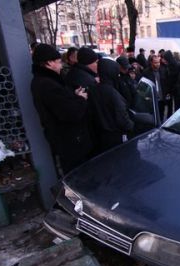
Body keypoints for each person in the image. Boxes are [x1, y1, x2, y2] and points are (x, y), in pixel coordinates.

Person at [30, 43, 92, 175]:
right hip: (70, 143)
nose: (61, 65)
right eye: (58, 62)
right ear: (48, 63)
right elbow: (70, 113)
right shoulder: (47, 85)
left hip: (67, 140)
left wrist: (74, 96)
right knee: (78, 177)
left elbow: (61, 104)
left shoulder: (45, 81)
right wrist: (81, 99)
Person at [88, 58, 134, 154]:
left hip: (100, 136)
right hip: (116, 138)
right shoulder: (113, 93)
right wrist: (131, 125)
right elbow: (122, 119)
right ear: (111, 73)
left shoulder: (93, 89)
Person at [142, 55, 170, 121]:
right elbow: (144, 86)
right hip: (152, 99)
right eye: (155, 62)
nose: (157, 64)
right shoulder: (146, 72)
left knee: (161, 114)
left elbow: (166, 83)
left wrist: (167, 93)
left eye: (158, 62)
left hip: (161, 98)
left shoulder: (163, 70)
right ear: (151, 62)